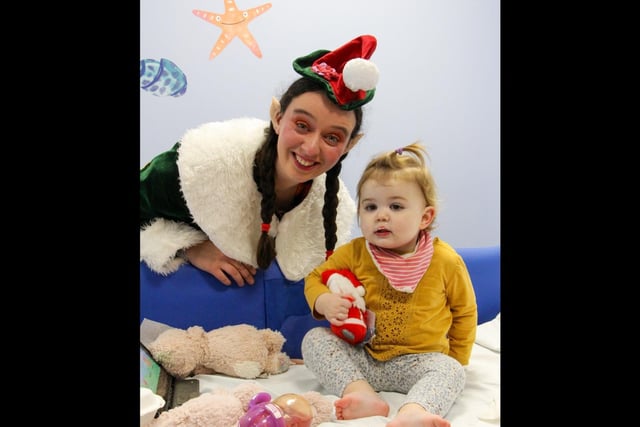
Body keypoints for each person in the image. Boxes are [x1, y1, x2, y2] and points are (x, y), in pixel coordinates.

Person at [140, 35, 380, 286]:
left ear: (350, 145)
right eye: (301, 125)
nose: (310, 148)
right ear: (277, 116)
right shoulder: (204, 164)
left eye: (332, 137)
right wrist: (189, 247)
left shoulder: (334, 209)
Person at [301, 143, 478, 427]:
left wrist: (456, 360)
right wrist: (322, 301)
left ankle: (414, 411)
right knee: (314, 340)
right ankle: (360, 393)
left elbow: (465, 313)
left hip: (419, 362)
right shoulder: (355, 252)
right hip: (365, 357)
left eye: (395, 206)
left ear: (425, 217)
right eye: (370, 206)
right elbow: (313, 279)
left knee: (451, 370)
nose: (381, 215)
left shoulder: (446, 261)